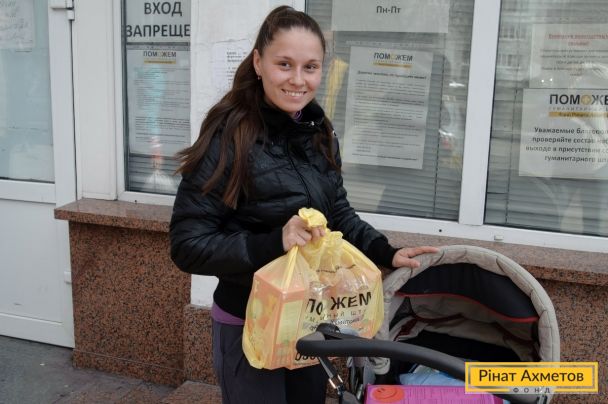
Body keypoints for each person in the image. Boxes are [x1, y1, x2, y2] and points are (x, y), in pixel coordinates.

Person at [169, 5, 438, 404]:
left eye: (310, 67)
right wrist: (275, 241)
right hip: (249, 323)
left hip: (310, 321)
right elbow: (188, 245)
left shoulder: (318, 132)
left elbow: (338, 214)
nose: (298, 80)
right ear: (258, 63)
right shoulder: (230, 138)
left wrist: (386, 251)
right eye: (284, 64)